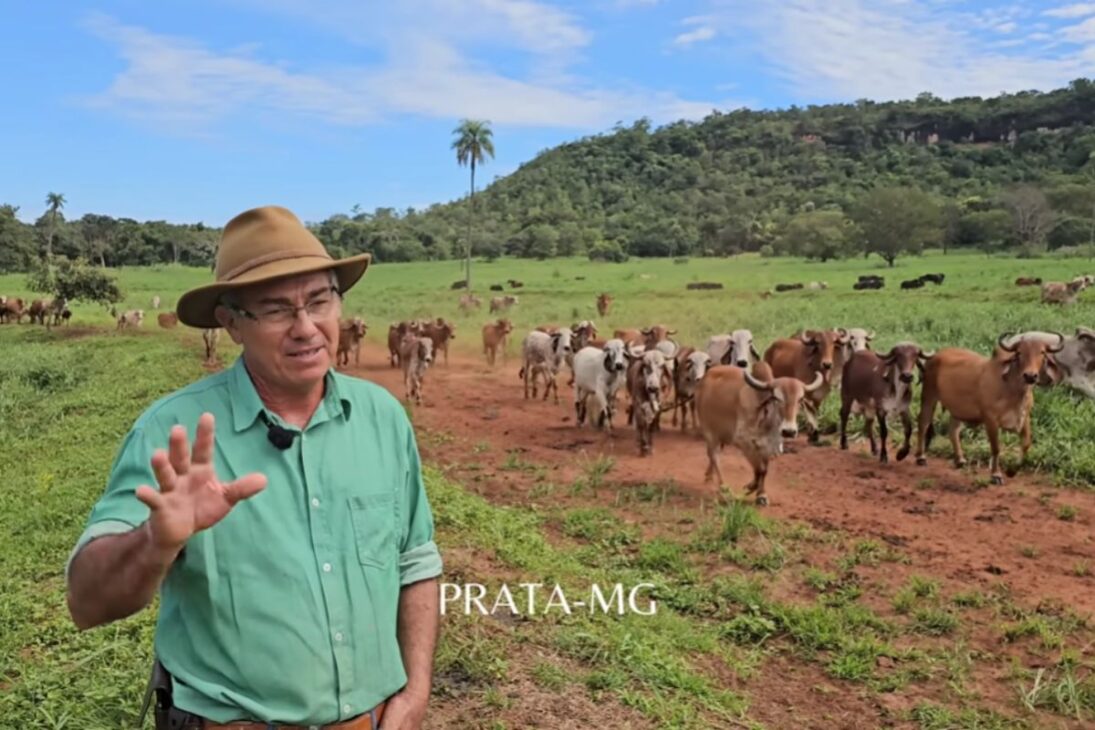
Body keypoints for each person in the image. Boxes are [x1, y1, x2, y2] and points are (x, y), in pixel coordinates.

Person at [65, 205, 443, 730]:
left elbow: (416, 563)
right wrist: (154, 541)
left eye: (320, 300)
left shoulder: (382, 418)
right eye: (276, 310)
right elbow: (86, 602)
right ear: (231, 323)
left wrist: (417, 689)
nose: (306, 328)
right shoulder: (173, 431)